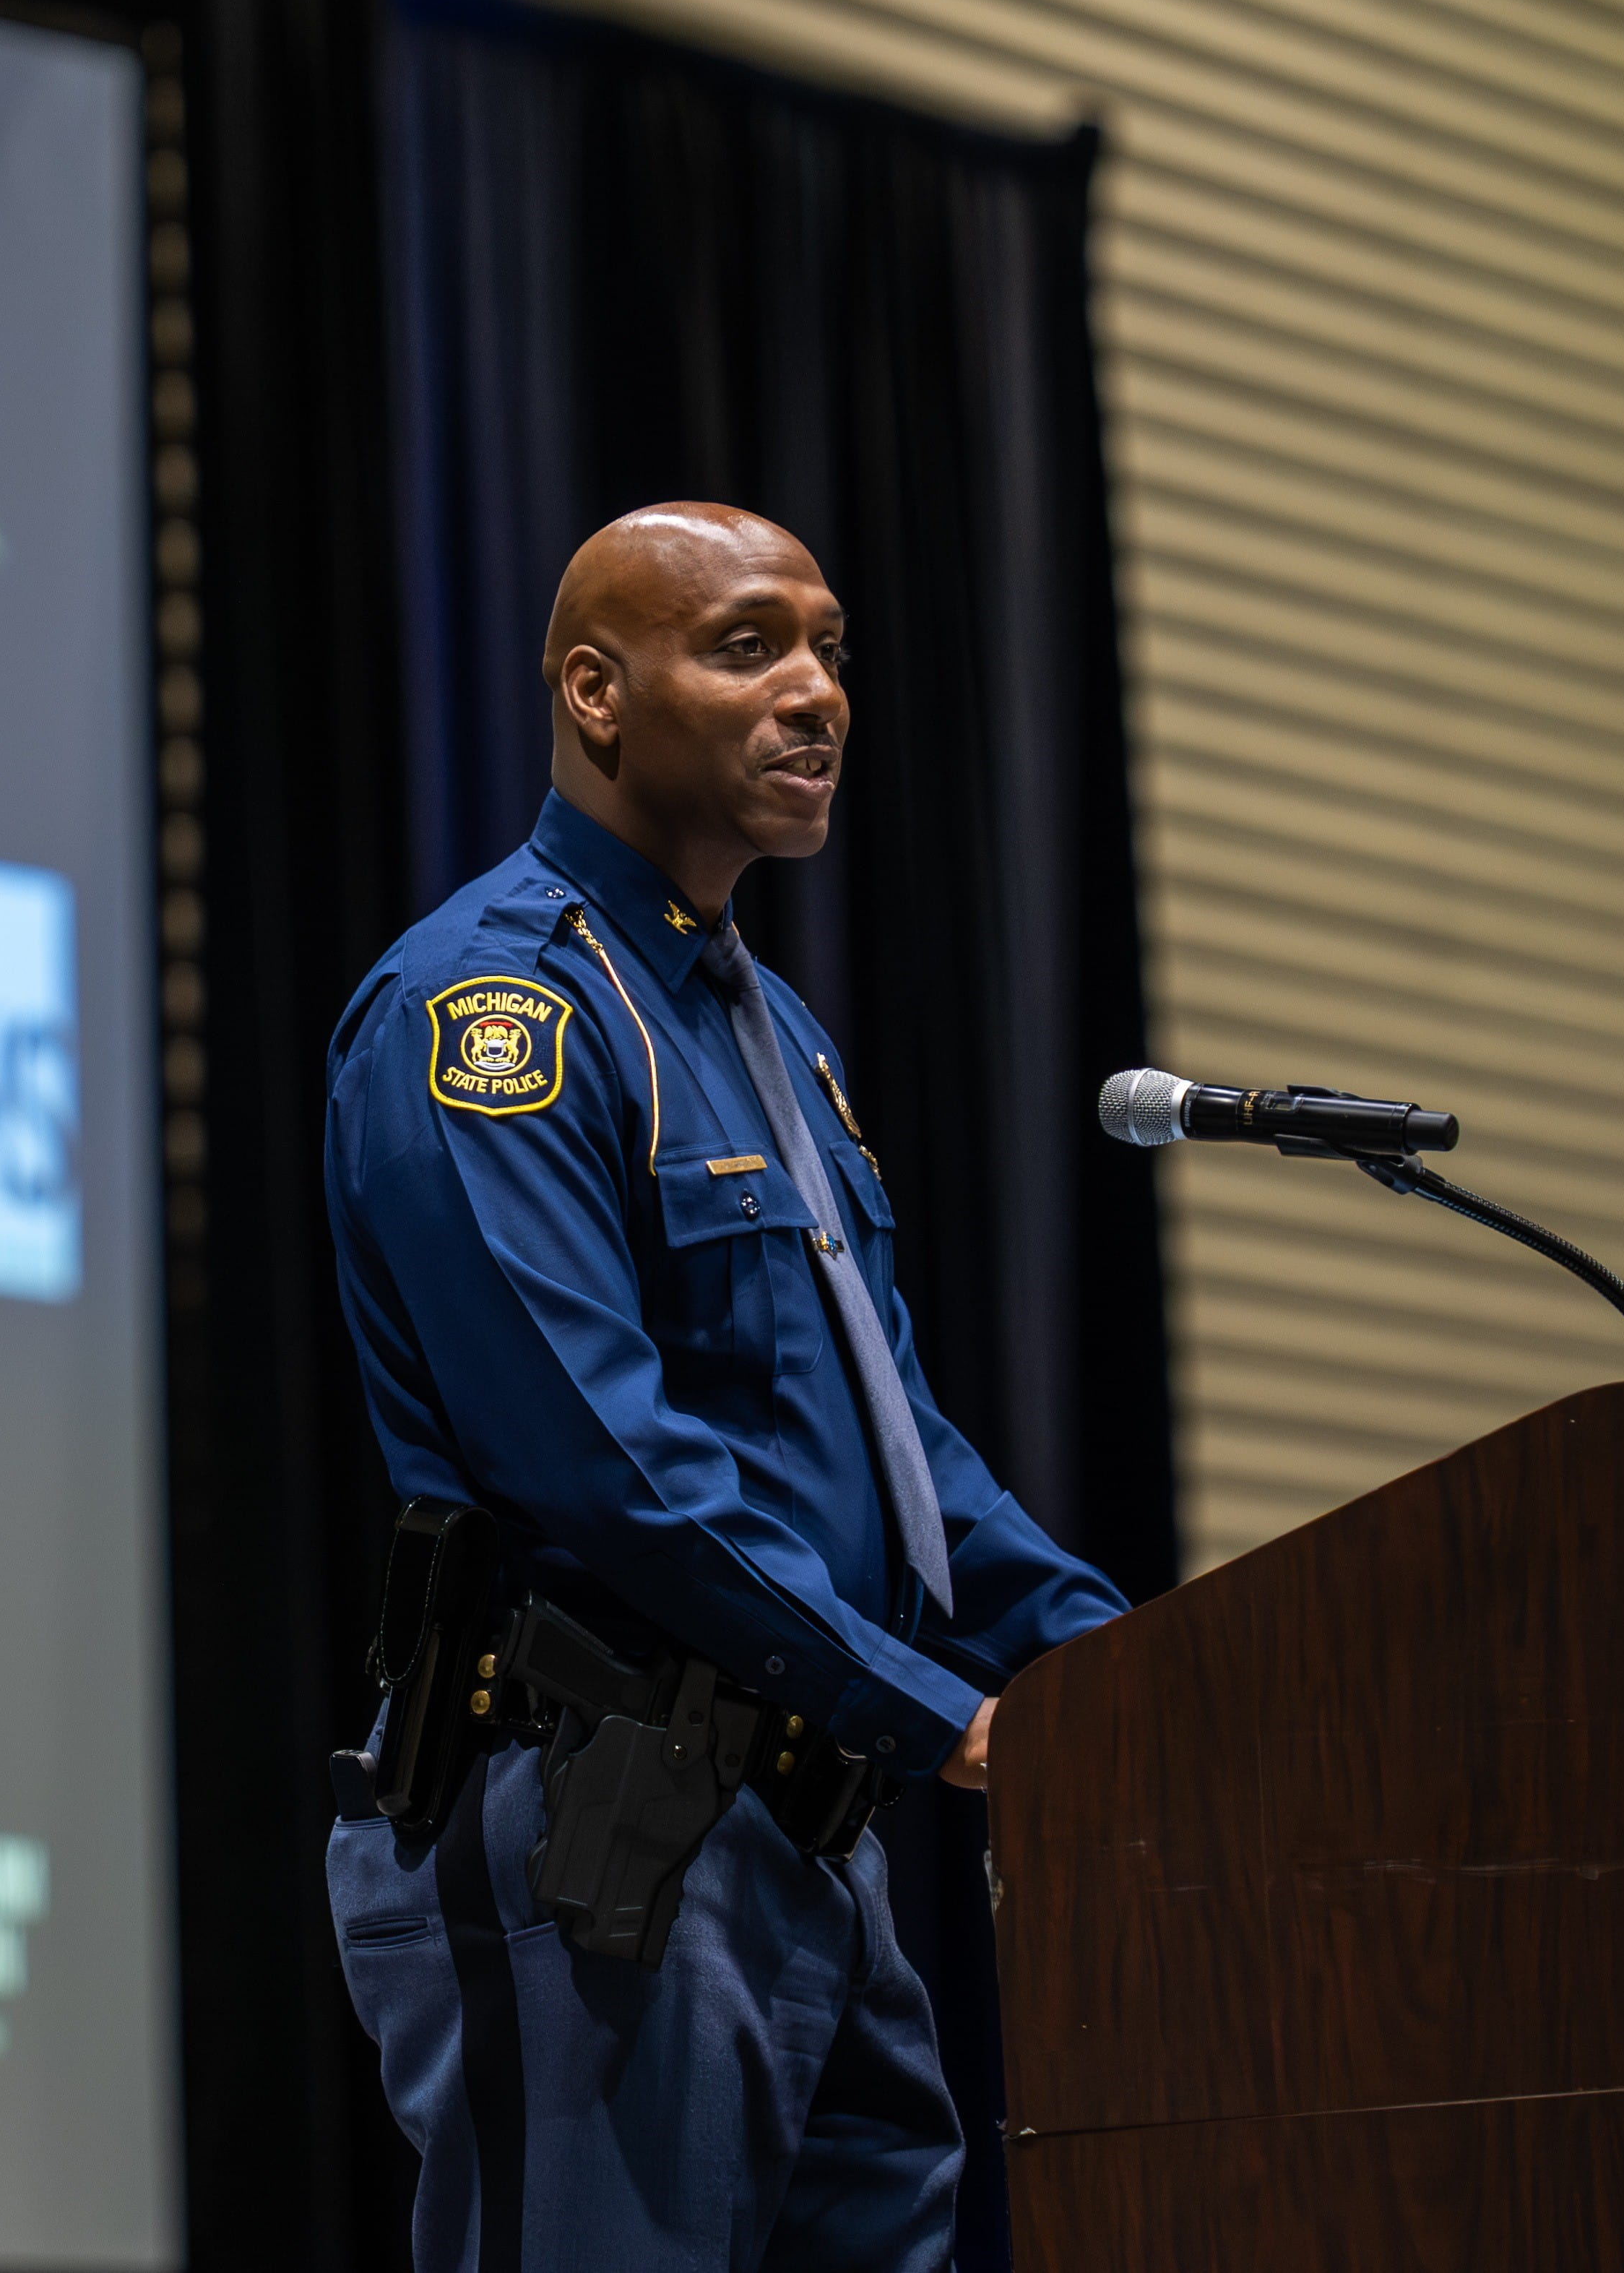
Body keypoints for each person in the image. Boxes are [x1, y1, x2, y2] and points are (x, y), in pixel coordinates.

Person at [321, 501, 1128, 2272]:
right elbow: (608, 1468)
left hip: (802, 1834)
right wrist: (942, 1713)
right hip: (598, 1833)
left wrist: (1133, 1675)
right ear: (597, 693)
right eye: (751, 645)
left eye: (830, 647)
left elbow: (907, 1456)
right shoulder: (491, 1016)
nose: (817, 693)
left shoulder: (767, 1030)